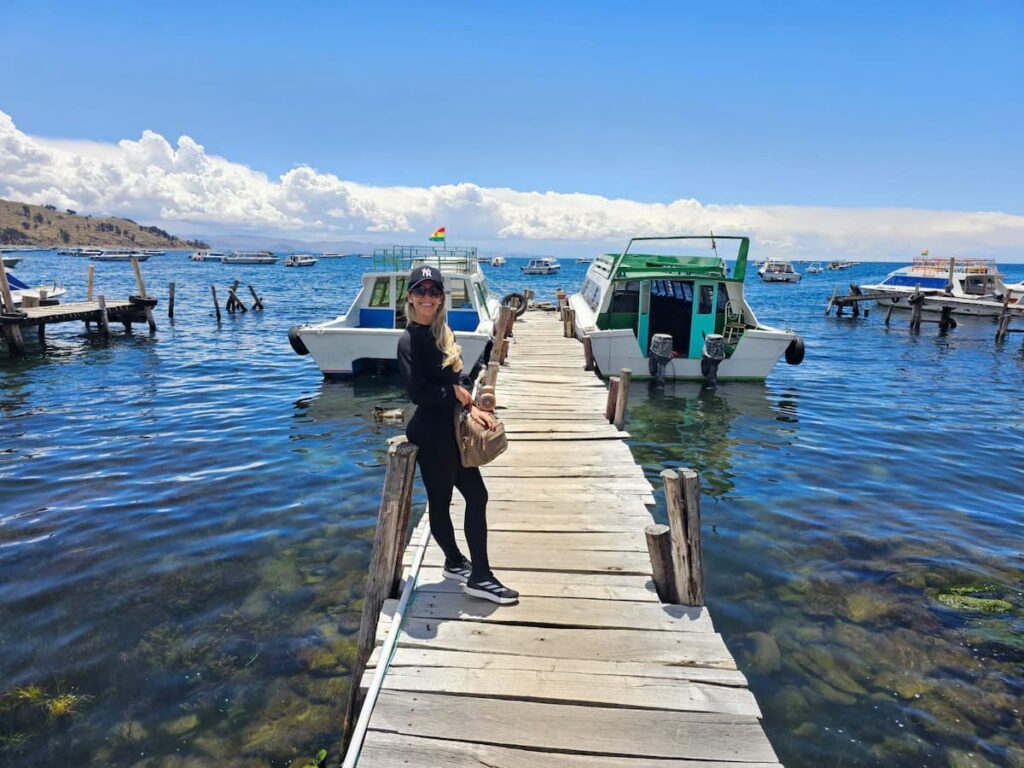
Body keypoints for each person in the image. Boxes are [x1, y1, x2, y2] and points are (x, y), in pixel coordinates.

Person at [397, 265, 519, 605]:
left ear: (441, 298)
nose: (427, 297)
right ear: (410, 296)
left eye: (433, 291)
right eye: (420, 291)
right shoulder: (409, 340)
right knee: (441, 502)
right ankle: (470, 570)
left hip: (453, 429)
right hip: (430, 433)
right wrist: (454, 393)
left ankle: (465, 567)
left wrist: (471, 405)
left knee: (477, 496)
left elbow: (461, 378)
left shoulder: (442, 332)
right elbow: (418, 392)